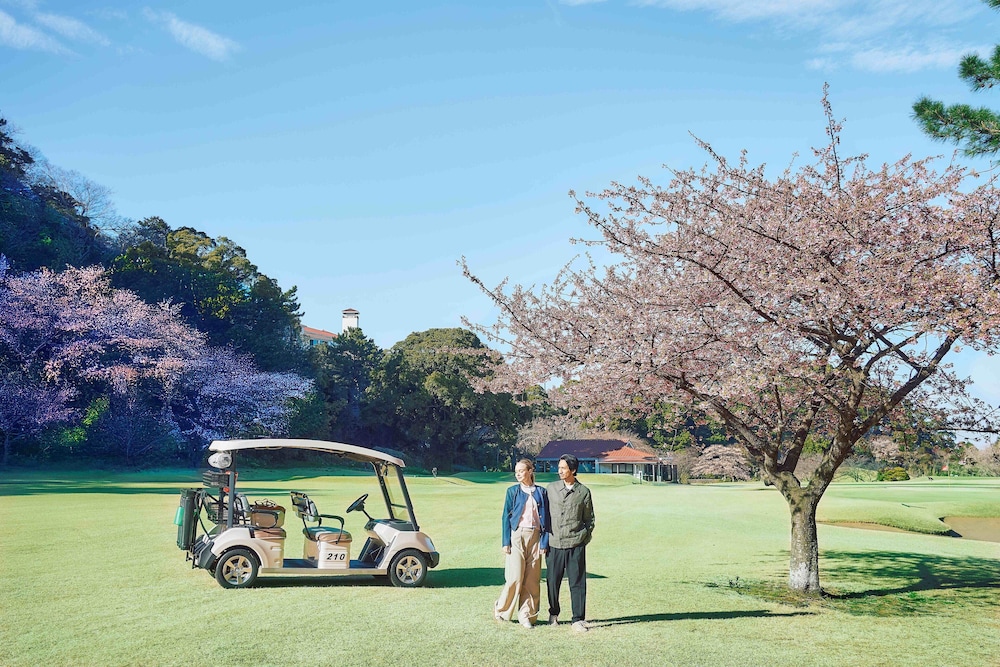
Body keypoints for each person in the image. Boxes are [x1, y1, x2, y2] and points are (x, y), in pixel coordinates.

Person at [494, 459, 549, 629]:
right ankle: (502, 610)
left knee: (532, 579)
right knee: (515, 576)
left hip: (536, 537)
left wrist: (544, 543)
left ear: (531, 471)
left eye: (521, 470)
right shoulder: (512, 492)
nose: (518, 474)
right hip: (516, 536)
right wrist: (506, 542)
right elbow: (506, 517)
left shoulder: (542, 492)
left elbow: (547, 519)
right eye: (516, 471)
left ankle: (526, 615)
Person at [546, 454, 595, 633]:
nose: (559, 471)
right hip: (554, 544)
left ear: (573, 470)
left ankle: (578, 619)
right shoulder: (550, 489)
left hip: (575, 544)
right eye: (558, 467)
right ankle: (553, 614)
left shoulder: (584, 492)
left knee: (577, 583)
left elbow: (589, 519)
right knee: (552, 581)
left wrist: (583, 539)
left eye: (563, 468)